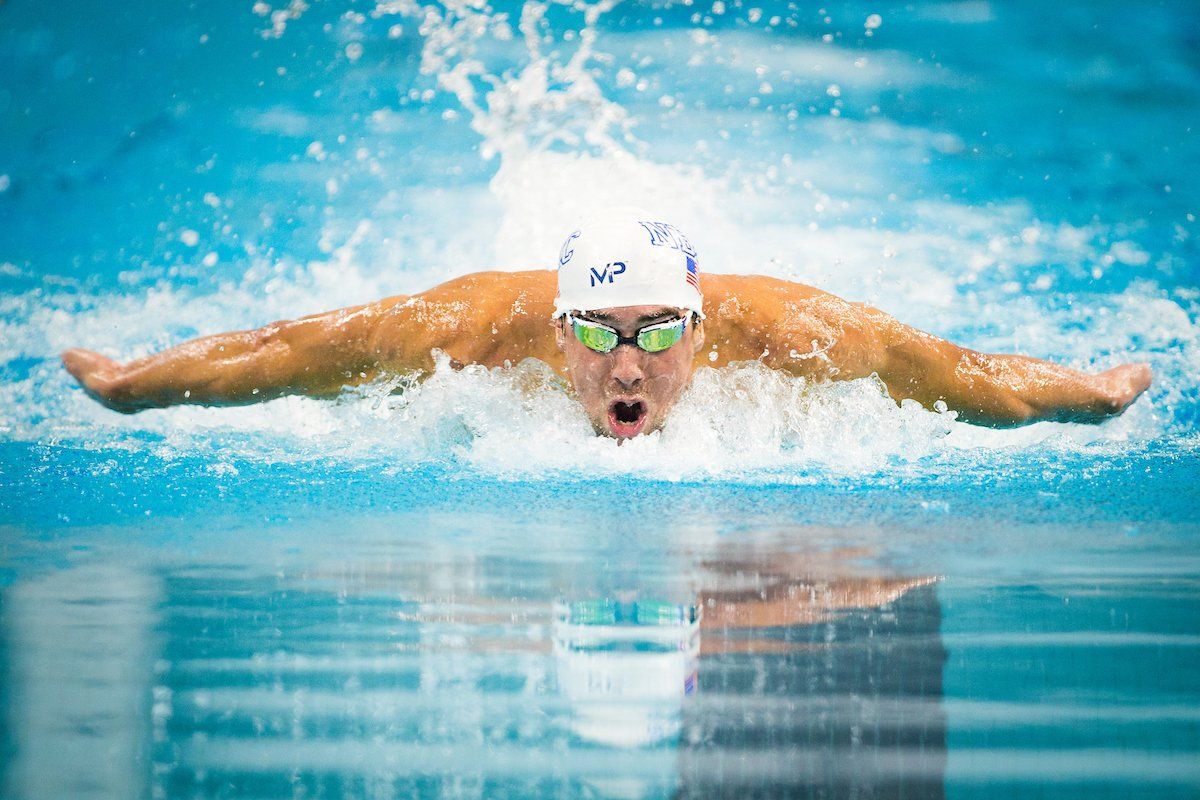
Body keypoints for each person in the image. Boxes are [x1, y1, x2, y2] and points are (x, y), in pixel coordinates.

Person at [62, 207, 1152, 439]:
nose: (625, 362)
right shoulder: (473, 327)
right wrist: (132, 382)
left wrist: (1092, 399)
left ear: (699, 319)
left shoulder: (793, 333)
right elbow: (282, 352)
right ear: (556, 322)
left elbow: (965, 373)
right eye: (595, 333)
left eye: (653, 331)